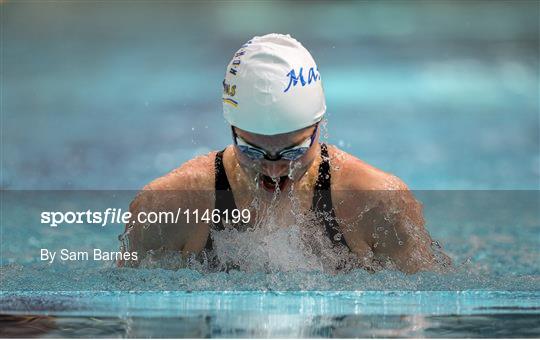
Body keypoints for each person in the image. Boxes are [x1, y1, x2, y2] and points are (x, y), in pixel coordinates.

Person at [120, 33, 448, 274]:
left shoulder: (376, 202)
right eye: (252, 150)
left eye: (293, 151)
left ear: (319, 126)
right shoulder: (169, 205)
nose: (274, 170)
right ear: (231, 130)